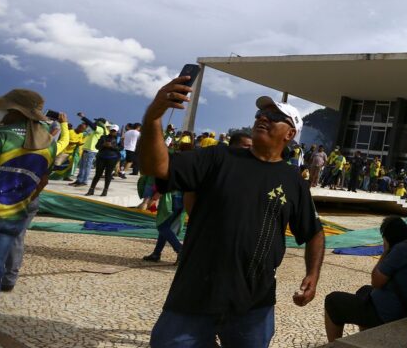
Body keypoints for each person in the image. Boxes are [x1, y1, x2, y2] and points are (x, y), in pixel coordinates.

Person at [139, 78, 325, 348]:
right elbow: (156, 166)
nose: (263, 117)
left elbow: (314, 232)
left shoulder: (293, 181)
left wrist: (313, 274)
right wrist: (154, 116)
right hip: (194, 293)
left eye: (274, 116)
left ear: (290, 134)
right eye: (260, 113)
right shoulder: (218, 158)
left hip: (253, 304)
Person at [0, 90, 68, 344]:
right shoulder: (49, 141)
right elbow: (42, 181)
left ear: (14, 111)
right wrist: (22, 201)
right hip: (11, 219)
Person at [325, 216, 407, 341]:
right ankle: (368, 340)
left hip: (386, 313)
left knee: (333, 301)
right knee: (364, 290)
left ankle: (333, 345)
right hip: (402, 307)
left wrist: (386, 252)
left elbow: (376, 281)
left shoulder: (401, 249)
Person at [142, 191, 185, 263]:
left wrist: (155, 197)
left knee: (162, 226)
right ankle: (156, 254)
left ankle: (180, 249)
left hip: (171, 199)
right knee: (165, 227)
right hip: (181, 199)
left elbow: (168, 183)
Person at [87, 125, 122, 196]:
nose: (113, 132)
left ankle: (105, 191)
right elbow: (96, 146)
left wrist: (111, 146)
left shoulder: (119, 139)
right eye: (112, 130)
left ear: (117, 131)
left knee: (108, 175)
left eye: (114, 131)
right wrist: (103, 145)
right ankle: (91, 190)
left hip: (112, 159)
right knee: (97, 174)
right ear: (109, 130)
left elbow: (121, 148)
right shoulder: (103, 137)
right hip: (101, 157)